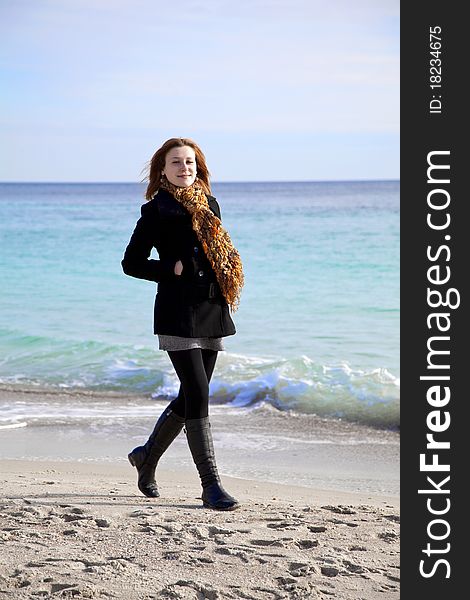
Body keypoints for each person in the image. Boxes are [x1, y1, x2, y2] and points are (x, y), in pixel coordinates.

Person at [121, 137, 244, 511]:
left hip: (212, 307)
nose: (184, 168)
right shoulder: (155, 211)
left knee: (191, 394)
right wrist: (169, 270)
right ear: (163, 169)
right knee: (199, 393)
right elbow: (131, 262)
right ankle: (211, 485)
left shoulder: (210, 204)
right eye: (176, 162)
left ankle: (146, 458)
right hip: (177, 311)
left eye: (189, 162)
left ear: (198, 167)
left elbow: (216, 253)